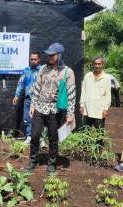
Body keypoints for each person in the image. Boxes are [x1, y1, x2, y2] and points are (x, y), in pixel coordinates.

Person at [25, 43, 76, 175]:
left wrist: (70, 113)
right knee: (35, 135)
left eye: (51, 55)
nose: (49, 56)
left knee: (53, 137)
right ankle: (32, 162)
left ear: (59, 55)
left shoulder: (67, 72)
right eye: (48, 54)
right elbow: (37, 87)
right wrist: (32, 104)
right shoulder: (43, 69)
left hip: (55, 110)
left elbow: (71, 94)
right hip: (40, 108)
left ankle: (52, 164)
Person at [12, 51, 41, 144]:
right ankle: (29, 136)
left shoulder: (42, 70)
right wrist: (16, 96)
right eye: (31, 59)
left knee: (40, 119)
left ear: (39, 59)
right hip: (28, 99)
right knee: (27, 118)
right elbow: (21, 83)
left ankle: (41, 139)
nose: (33, 61)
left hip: (40, 100)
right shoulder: (26, 70)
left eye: (35, 59)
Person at [80, 57, 111, 130]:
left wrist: (106, 109)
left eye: (99, 64)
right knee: (84, 132)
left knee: (99, 134)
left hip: (99, 110)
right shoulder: (88, 76)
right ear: (93, 65)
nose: (97, 66)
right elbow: (83, 91)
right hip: (87, 109)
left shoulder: (106, 78)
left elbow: (108, 95)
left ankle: (99, 142)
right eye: (95, 64)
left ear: (102, 65)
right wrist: (82, 105)